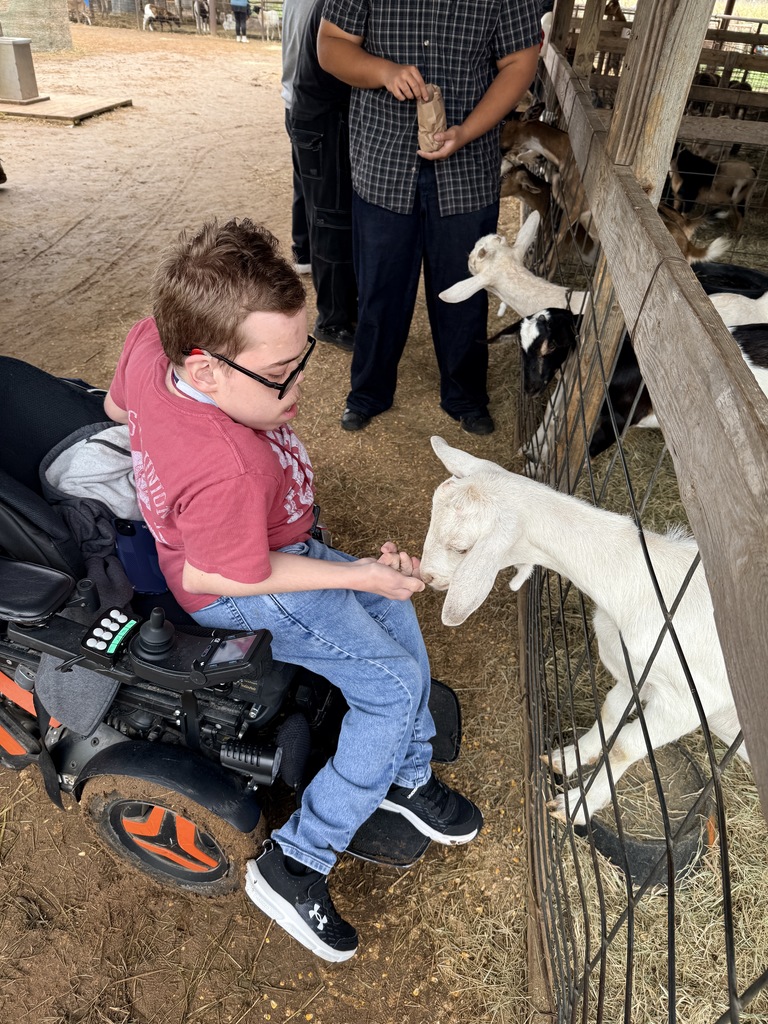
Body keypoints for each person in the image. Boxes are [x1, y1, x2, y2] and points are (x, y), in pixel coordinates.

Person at [103, 219, 483, 963]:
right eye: (279, 372)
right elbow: (223, 574)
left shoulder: (153, 341)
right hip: (242, 582)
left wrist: (365, 581)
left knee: (396, 624)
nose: (300, 384)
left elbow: (119, 411)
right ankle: (296, 860)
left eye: (300, 355)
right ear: (204, 365)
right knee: (392, 682)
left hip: (269, 547)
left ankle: (402, 778)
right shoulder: (230, 467)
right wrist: (356, 574)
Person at [317, 0, 541, 436]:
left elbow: (520, 60)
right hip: (383, 161)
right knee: (380, 288)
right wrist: (383, 72)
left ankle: (464, 394)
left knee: (469, 284)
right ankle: (368, 391)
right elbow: (331, 45)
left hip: (467, 165)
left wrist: (469, 129)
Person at [289, 0, 357, 351]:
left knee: (327, 213)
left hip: (314, 116)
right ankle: (332, 319)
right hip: (324, 120)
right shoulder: (340, 6)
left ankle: (343, 305)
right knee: (330, 219)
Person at [281, 0, 315, 274]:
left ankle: (302, 250)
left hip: (291, 101)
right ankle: (310, 251)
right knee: (322, 186)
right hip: (311, 104)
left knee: (302, 180)